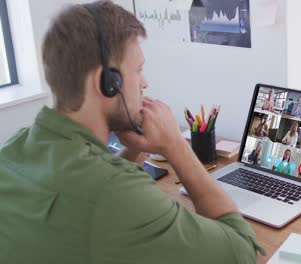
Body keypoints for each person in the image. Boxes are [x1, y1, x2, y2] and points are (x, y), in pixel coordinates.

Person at [0, 2, 263, 263]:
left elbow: (87, 188)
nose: (145, 82)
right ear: (107, 83)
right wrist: (176, 146)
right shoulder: (116, 194)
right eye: (138, 70)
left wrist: (136, 146)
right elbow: (244, 252)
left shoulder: (13, 151)